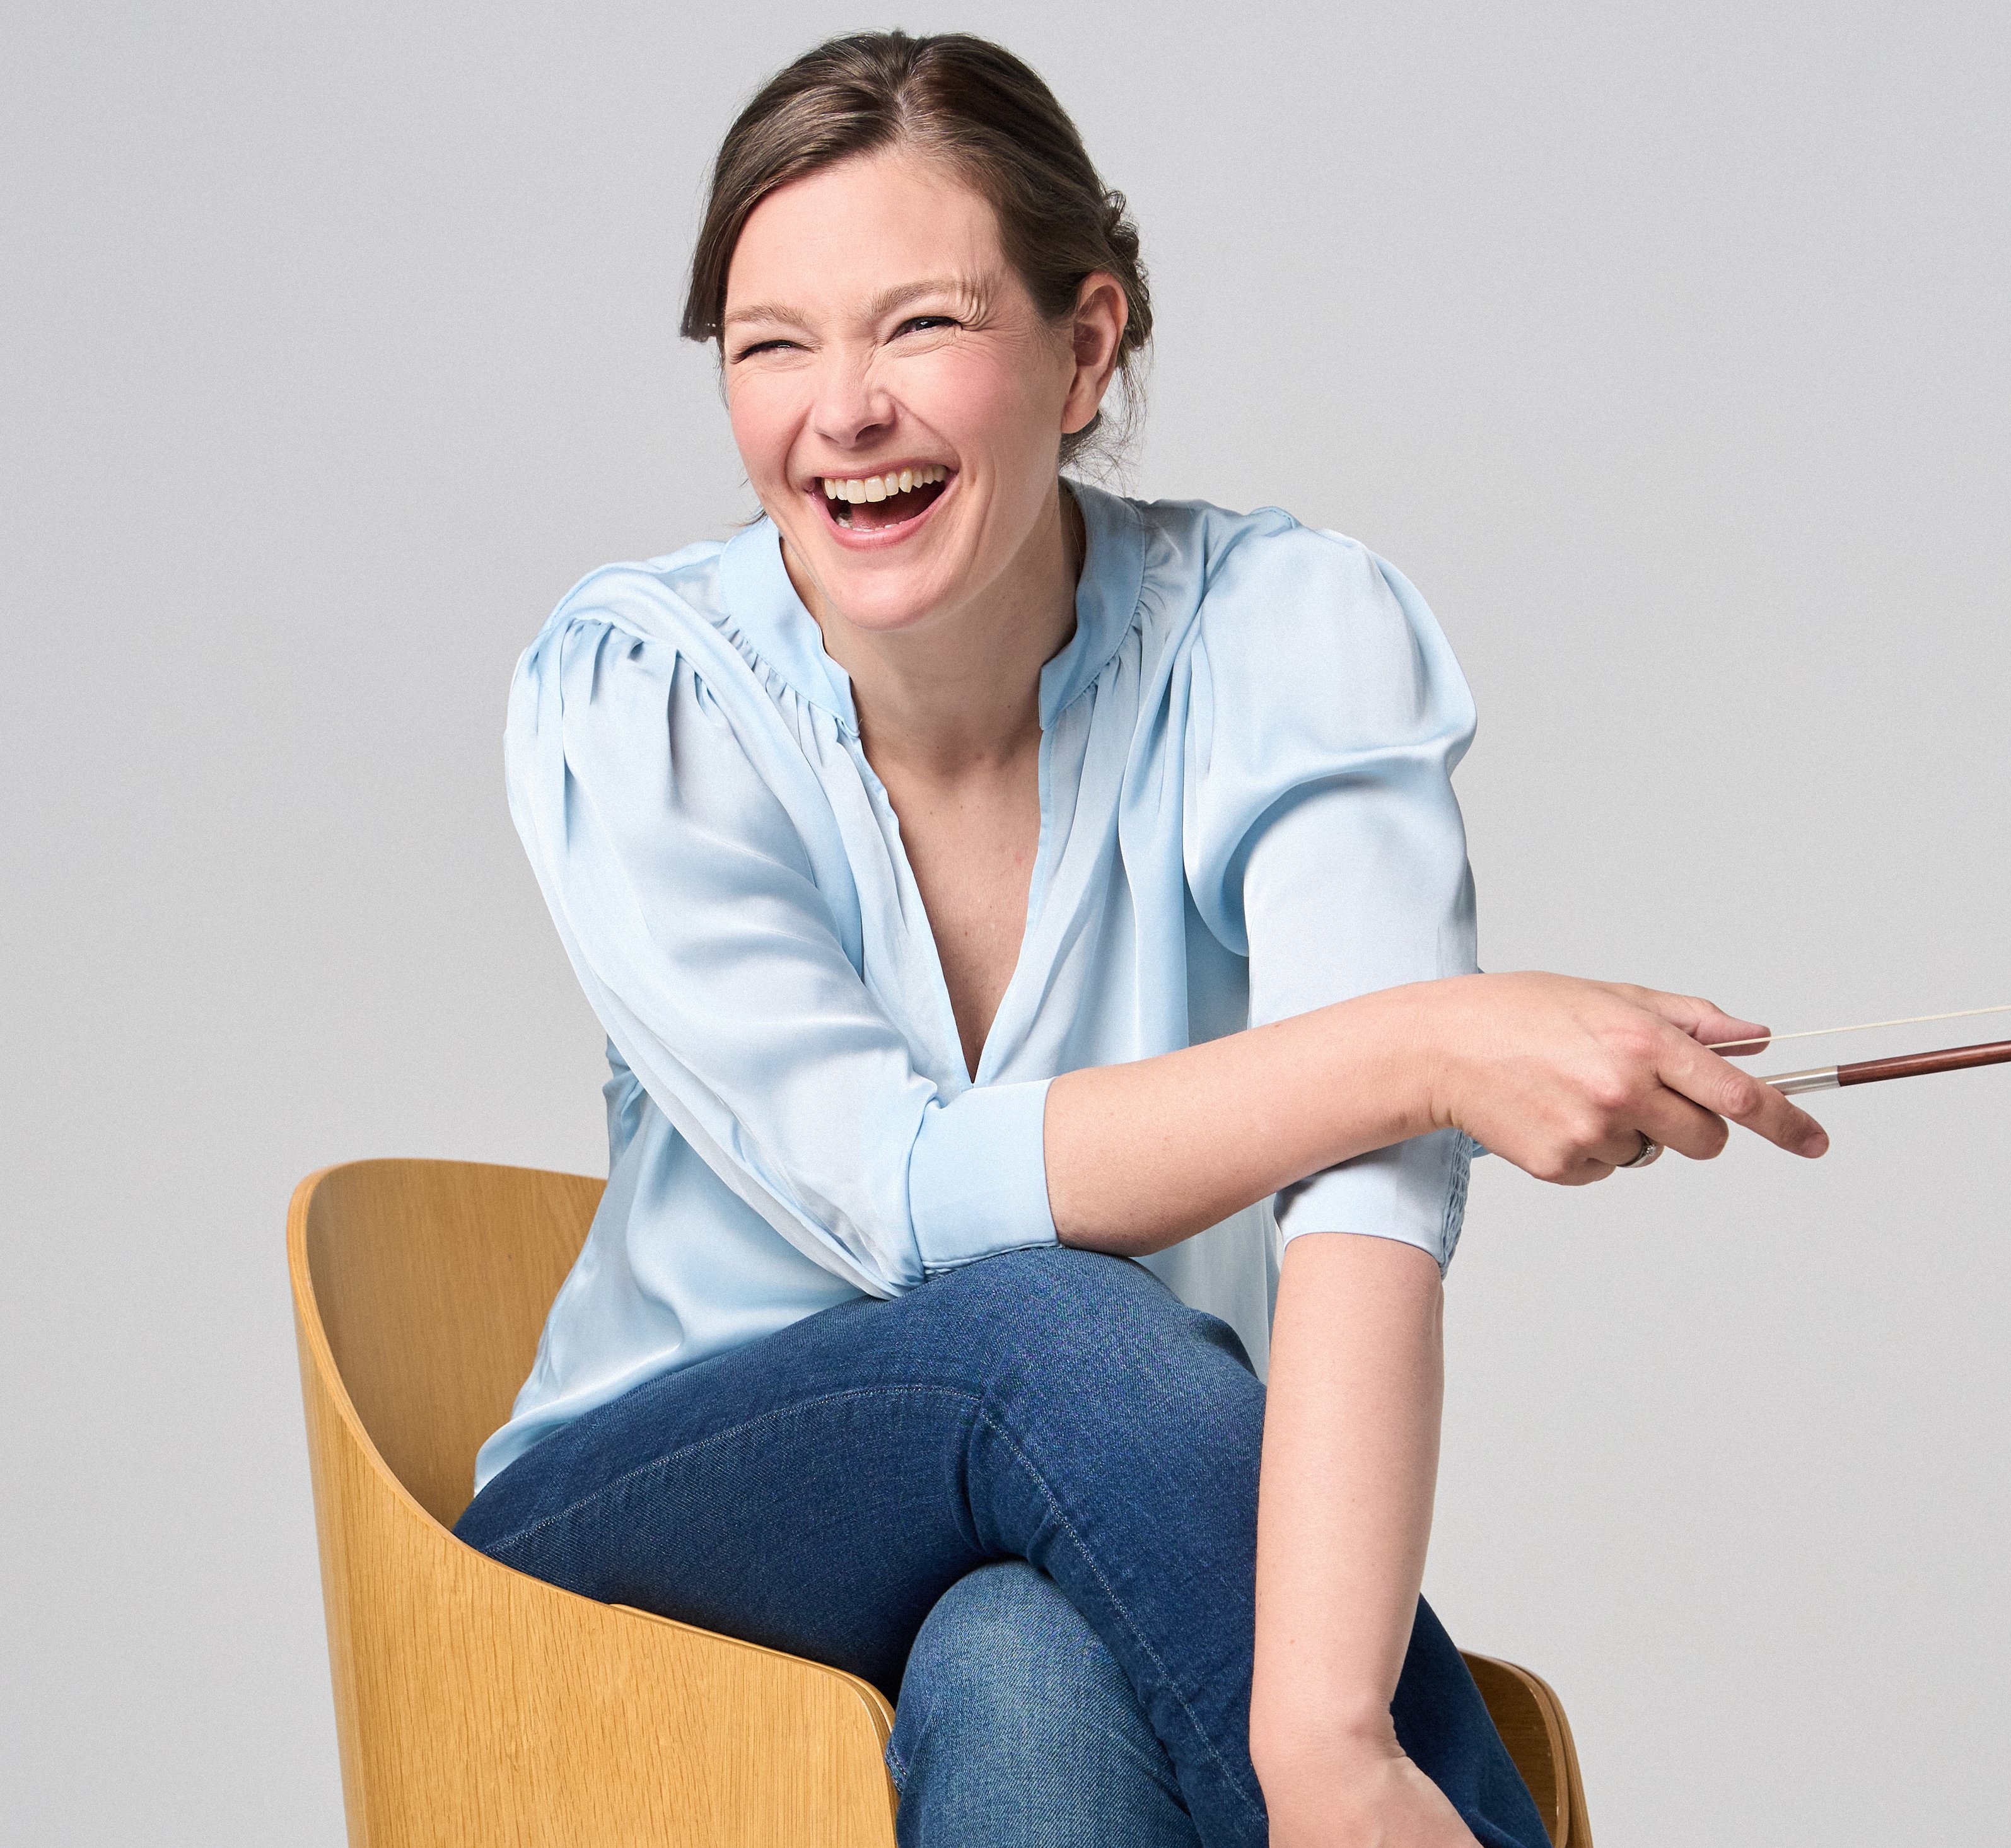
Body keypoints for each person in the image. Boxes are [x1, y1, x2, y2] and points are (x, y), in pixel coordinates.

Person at [453, 30, 1828, 1848]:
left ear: (1084, 345)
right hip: (650, 1514)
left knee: (1028, 1670)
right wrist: (1423, 1047)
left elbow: (1364, 1209)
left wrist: (1322, 1701)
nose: (839, 409)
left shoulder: (1278, 634)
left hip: (1082, 1503)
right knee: (1049, 1324)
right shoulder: (643, 697)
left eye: (918, 326)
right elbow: (898, 1195)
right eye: (771, 345)